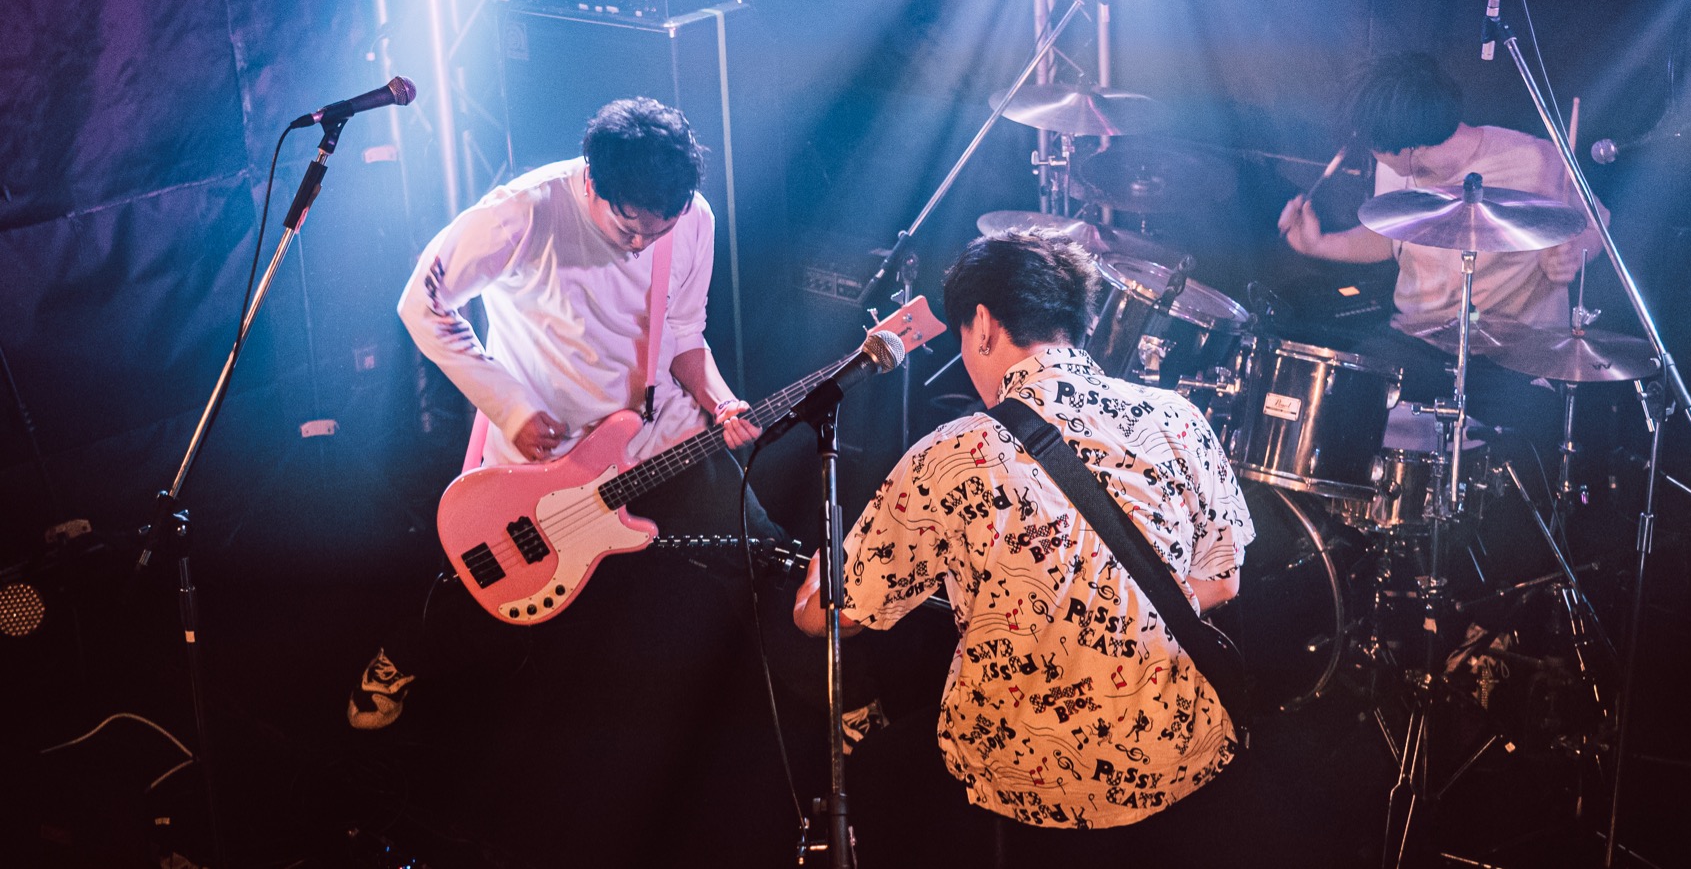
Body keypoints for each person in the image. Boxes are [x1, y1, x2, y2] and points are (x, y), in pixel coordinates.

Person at [793, 230, 1273, 867]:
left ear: (984, 325)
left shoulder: (954, 454)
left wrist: (817, 577)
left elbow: (829, 617)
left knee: (878, 766)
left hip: (1027, 783)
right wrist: (1115, 608)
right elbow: (1224, 579)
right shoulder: (1178, 418)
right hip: (1175, 757)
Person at [348, 96, 780, 731]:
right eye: (629, 228)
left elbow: (686, 334)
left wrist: (719, 401)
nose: (642, 244)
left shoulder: (692, 219)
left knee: (763, 553)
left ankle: (842, 698)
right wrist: (509, 405)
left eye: (658, 230)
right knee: (492, 589)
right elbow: (423, 302)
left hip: (659, 440)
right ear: (592, 181)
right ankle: (405, 656)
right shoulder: (524, 211)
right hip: (549, 459)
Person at [1278, 51, 1606, 439]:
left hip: (1512, 358)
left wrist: (1574, 253)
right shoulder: (1394, 163)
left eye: (1374, 147)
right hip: (1419, 341)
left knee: (1529, 442)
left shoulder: (1535, 159)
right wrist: (1319, 245)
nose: (1372, 153)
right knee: (1344, 401)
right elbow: (1392, 237)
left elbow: (1597, 225)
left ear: (1406, 147)